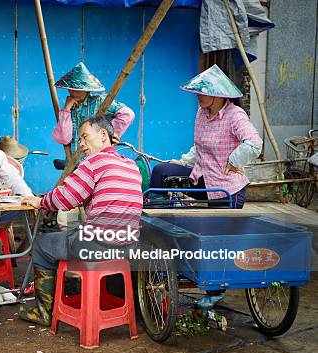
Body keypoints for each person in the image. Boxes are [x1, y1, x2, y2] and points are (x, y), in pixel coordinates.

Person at [18, 115, 143, 326]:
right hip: (129, 244)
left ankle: (43, 312)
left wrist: (40, 202)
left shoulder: (93, 162)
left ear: (104, 135)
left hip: (98, 244)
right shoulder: (130, 165)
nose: (81, 144)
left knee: (41, 244)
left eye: (85, 137)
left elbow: (66, 197)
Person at [149, 65, 262, 209]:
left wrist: (234, 161)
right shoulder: (201, 113)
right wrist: (183, 163)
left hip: (227, 191)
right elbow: (199, 147)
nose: (198, 95)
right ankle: (156, 217)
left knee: (216, 230)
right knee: (161, 171)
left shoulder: (235, 115)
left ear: (217, 94)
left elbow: (254, 143)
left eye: (202, 92)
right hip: (203, 181)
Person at [51, 62, 135, 154]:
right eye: (71, 89)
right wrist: (66, 110)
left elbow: (127, 114)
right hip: (74, 164)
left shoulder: (99, 102)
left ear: (87, 90)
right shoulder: (70, 108)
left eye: (78, 90)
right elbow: (63, 139)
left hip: (97, 159)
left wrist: (110, 134)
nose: (73, 92)